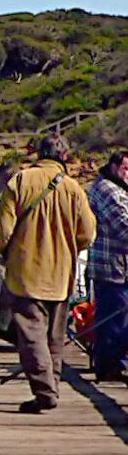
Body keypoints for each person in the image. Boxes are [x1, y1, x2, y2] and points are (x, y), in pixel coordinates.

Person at [0, 134, 96, 414]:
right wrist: (67, 249)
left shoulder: (21, 181)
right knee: (54, 337)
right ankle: (51, 386)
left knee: (31, 334)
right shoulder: (73, 188)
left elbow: (3, 231)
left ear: (37, 153)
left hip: (26, 272)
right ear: (64, 156)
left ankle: (45, 392)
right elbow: (87, 234)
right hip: (62, 274)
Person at [86, 151, 128, 381]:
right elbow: (124, 228)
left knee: (116, 317)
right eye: (125, 169)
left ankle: (113, 363)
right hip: (111, 266)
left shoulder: (117, 188)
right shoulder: (107, 190)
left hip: (120, 267)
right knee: (114, 318)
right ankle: (110, 366)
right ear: (113, 166)